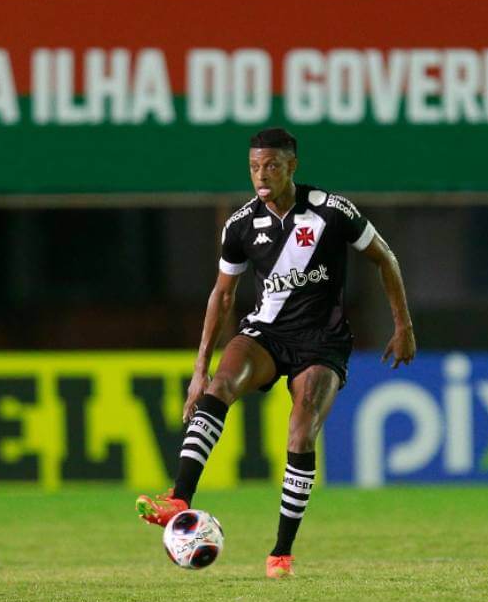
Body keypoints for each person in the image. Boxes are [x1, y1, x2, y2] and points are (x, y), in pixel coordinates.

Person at [135, 127, 416, 578]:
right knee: (220, 386)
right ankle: (179, 498)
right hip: (266, 333)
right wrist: (198, 370)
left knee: (301, 432)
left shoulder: (331, 210)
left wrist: (403, 325)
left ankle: (281, 551)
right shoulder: (241, 224)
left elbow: (386, 258)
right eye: (253, 167)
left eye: (270, 166)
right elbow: (222, 296)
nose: (260, 176)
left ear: (291, 166)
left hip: (322, 342)